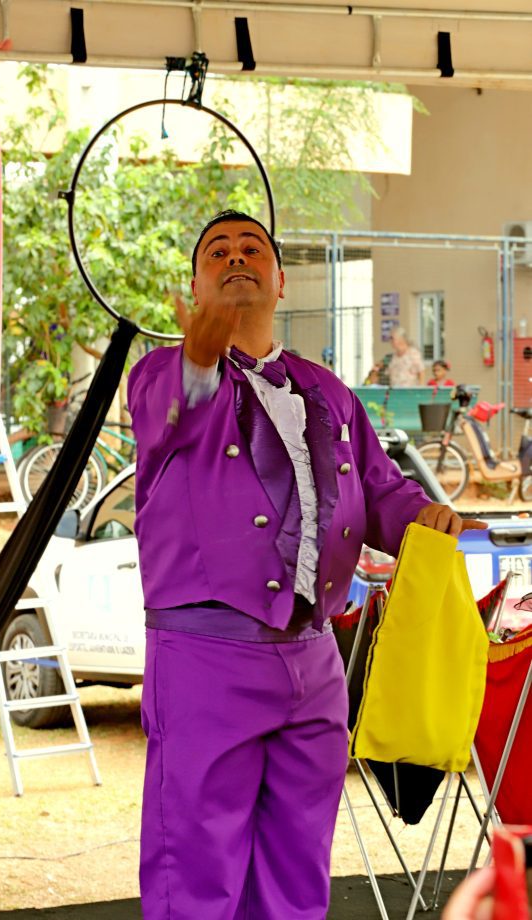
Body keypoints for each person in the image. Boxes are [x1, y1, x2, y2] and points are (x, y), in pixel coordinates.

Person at [128, 210, 486, 920]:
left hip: (315, 661)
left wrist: (426, 517)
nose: (236, 257)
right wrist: (200, 356)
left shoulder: (328, 391)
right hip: (205, 657)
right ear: (195, 286)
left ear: (281, 281)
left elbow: (380, 490)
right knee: (195, 874)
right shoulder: (164, 375)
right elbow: (171, 410)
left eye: (251, 248)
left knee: (298, 870)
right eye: (217, 252)